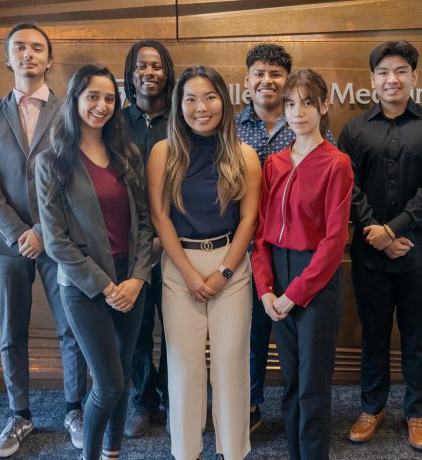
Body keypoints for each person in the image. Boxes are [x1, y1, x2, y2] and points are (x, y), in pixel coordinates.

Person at [0, 22, 87, 458]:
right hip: (6, 243)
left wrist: (41, 230)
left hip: (57, 239)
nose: (29, 54)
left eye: (38, 48)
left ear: (49, 59)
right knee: (10, 332)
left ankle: (74, 409)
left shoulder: (69, 111)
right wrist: (19, 231)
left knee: (71, 329)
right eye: (20, 47)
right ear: (8, 58)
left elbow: (74, 175)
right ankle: (19, 414)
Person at [338, 40, 422, 451]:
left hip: (418, 252)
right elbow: (347, 188)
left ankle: (417, 412)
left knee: (416, 336)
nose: (393, 79)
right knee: (372, 335)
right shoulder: (354, 129)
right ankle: (372, 407)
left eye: (401, 70)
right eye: (384, 72)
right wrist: (376, 232)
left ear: (414, 77)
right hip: (369, 254)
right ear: (372, 79)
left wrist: (393, 230)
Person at [35, 64, 153, 460]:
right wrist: (106, 286)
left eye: (108, 98)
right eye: (92, 97)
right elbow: (55, 240)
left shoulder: (127, 154)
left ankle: (112, 453)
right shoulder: (53, 161)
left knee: (122, 377)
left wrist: (137, 278)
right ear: (74, 100)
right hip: (86, 288)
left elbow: (144, 221)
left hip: (130, 284)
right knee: (108, 384)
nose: (101, 106)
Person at [147, 65, 261, 460]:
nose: (201, 107)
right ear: (179, 105)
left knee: (230, 363)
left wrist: (225, 271)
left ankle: (233, 452)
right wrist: (191, 273)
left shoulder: (244, 153)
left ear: (224, 102)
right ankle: (186, 452)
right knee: (183, 366)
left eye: (210, 97)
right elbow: (160, 217)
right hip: (181, 265)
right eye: (190, 99)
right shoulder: (163, 152)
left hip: (231, 264)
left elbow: (249, 218)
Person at [251, 69, 353, 460]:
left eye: (307, 103)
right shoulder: (274, 163)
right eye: (291, 104)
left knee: (312, 385)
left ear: (324, 106)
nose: (297, 112)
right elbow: (261, 234)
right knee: (290, 382)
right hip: (277, 273)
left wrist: (293, 295)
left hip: (316, 280)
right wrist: (265, 289)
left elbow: (334, 241)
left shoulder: (336, 163)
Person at [235, 43, 336, 433]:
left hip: (297, 253)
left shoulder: (313, 136)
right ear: (246, 81)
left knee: (300, 350)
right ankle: (251, 405)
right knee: (252, 335)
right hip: (247, 248)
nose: (267, 80)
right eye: (259, 73)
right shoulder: (232, 127)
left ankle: (301, 420)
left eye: (275, 74)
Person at [121, 39, 176, 438]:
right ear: (131, 73)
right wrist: (144, 241)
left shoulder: (183, 118)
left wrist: (163, 237)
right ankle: (142, 398)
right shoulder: (115, 123)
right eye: (142, 66)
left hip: (175, 242)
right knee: (137, 328)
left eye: (156, 65)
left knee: (176, 327)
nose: (149, 72)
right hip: (129, 246)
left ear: (167, 72)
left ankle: (174, 397)